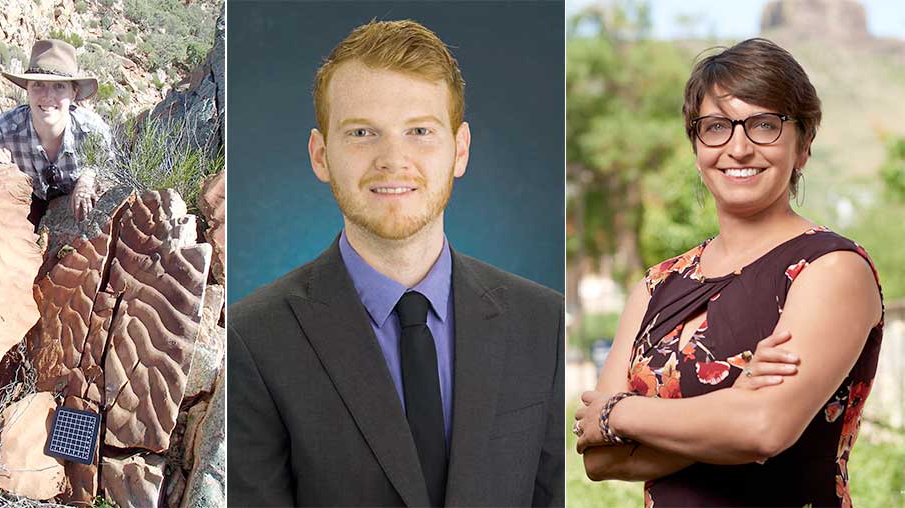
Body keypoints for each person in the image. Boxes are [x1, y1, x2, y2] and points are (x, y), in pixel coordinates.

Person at [223, 20, 564, 506]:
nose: (393, 158)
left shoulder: (545, 324)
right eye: (362, 132)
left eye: (420, 131)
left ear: (459, 150)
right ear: (321, 155)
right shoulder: (251, 340)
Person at [574, 38, 883, 507]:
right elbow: (597, 460)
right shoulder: (658, 284)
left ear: (803, 145)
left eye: (764, 125)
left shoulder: (832, 268)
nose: (738, 148)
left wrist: (620, 411)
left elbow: (763, 430)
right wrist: (729, 407)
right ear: (697, 147)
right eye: (716, 127)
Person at [0, 38, 115, 225]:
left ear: (73, 94)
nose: (47, 96)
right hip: (23, 212)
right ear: (27, 89)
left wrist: (87, 179)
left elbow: (107, 169)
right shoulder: (4, 132)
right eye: (38, 84)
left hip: (75, 216)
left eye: (59, 86)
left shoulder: (93, 132)